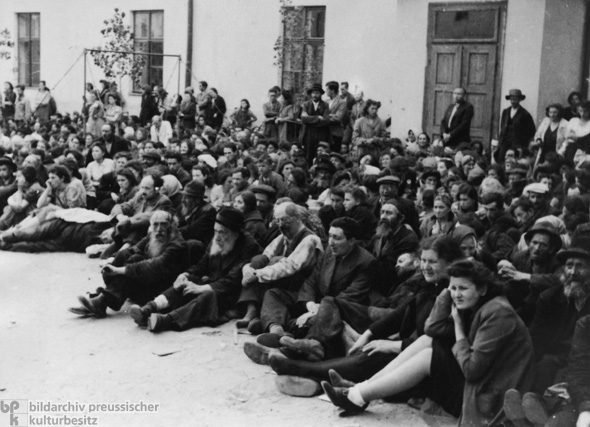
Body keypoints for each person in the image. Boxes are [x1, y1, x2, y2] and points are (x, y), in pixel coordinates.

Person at [322, 259, 535, 427]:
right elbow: (431, 330)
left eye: (464, 288)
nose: (457, 295)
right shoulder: (481, 304)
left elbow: (472, 371)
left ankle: (356, 396)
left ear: (482, 289)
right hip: (483, 383)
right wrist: (445, 295)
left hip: (491, 397)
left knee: (427, 356)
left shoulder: (497, 313)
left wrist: (459, 328)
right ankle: (359, 391)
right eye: (453, 288)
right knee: (428, 340)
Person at [129, 207, 261, 332]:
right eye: (215, 231)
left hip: (230, 294)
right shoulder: (217, 238)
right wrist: (186, 274)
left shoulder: (249, 246)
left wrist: (201, 288)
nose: (217, 236)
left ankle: (167, 320)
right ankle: (150, 308)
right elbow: (202, 264)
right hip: (212, 283)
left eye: (221, 232)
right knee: (187, 281)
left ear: (235, 234)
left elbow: (233, 281)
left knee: (208, 295)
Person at [70, 210, 195, 318]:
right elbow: (134, 248)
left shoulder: (178, 245)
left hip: (162, 292)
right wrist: (114, 261)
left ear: (172, 226)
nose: (159, 229)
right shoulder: (153, 235)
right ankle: (103, 299)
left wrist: (118, 270)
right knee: (126, 254)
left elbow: (154, 266)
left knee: (135, 261)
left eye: (164, 224)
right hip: (150, 283)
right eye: (156, 224)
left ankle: (102, 300)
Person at [236, 202, 324, 336]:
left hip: (301, 288)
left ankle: (266, 322)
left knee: (276, 264)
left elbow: (289, 266)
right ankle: (252, 310)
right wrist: (247, 269)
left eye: (284, 220)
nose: (280, 225)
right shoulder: (283, 237)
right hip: (284, 283)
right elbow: (266, 255)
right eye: (277, 220)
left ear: (297, 218)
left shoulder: (310, 239)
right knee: (258, 260)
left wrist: (257, 274)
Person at [497, 222, 562, 324]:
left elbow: (558, 279)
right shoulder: (520, 256)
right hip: (519, 303)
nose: (536, 249)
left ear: (551, 249)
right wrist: (504, 267)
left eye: (543, 245)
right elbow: (508, 270)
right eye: (534, 243)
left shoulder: (557, 262)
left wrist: (525, 276)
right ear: (528, 243)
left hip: (542, 312)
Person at [497, 89, 536, 161]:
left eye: (515, 99)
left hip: (517, 144)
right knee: (501, 158)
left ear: (519, 100)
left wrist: (522, 143)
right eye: (511, 99)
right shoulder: (506, 111)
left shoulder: (525, 114)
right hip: (504, 142)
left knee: (514, 160)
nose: (512, 101)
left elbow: (531, 131)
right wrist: (500, 140)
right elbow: (502, 127)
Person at [178, 180, 216, 245]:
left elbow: (191, 231)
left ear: (197, 200)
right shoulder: (184, 207)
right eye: (183, 196)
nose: (183, 200)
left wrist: (170, 232)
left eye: (187, 197)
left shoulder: (208, 212)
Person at [300, 83, 330, 165]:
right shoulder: (306, 104)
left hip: (321, 133)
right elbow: (303, 118)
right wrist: (317, 117)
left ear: (320, 94)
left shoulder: (325, 105)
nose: (314, 95)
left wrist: (310, 120)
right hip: (308, 133)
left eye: (317, 93)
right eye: (313, 93)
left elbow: (326, 120)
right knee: (308, 155)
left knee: (320, 154)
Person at [325, 81, 347, 153]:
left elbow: (338, 118)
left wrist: (325, 116)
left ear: (332, 91)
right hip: (326, 132)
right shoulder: (326, 101)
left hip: (336, 133)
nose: (326, 91)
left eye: (327, 89)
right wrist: (331, 115)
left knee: (334, 153)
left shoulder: (342, 102)